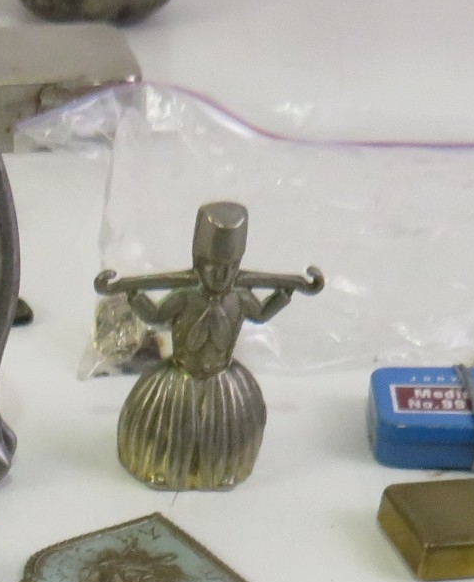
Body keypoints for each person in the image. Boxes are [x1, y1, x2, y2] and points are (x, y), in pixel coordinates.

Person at [103, 202, 321, 491]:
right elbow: (156, 316)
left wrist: (284, 295)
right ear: (198, 263)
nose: (220, 276)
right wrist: (134, 296)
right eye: (212, 267)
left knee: (222, 431)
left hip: (222, 377)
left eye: (229, 268)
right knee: (169, 426)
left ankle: (219, 470)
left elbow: (260, 314)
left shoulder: (239, 298)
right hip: (180, 374)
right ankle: (165, 468)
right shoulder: (185, 296)